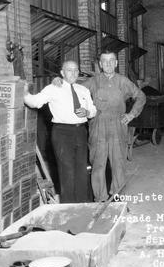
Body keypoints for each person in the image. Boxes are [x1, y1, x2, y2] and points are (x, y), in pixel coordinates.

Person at [78, 50, 146, 201]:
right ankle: (100, 199)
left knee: (118, 163)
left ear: (116, 63)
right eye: (104, 61)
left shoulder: (123, 81)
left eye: (111, 61)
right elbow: (75, 90)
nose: (108, 64)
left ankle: (118, 198)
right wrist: (60, 82)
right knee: (98, 164)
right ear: (100, 64)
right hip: (98, 124)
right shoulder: (93, 81)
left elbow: (141, 96)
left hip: (118, 124)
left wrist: (132, 114)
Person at [24, 61, 96, 203]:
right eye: (69, 70)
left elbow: (93, 111)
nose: (73, 73)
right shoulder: (53, 88)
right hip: (62, 133)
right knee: (67, 171)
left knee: (82, 170)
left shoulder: (83, 90)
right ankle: (68, 207)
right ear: (62, 73)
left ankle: (82, 205)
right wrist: (24, 93)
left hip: (80, 131)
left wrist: (87, 112)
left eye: (76, 70)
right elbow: (35, 102)